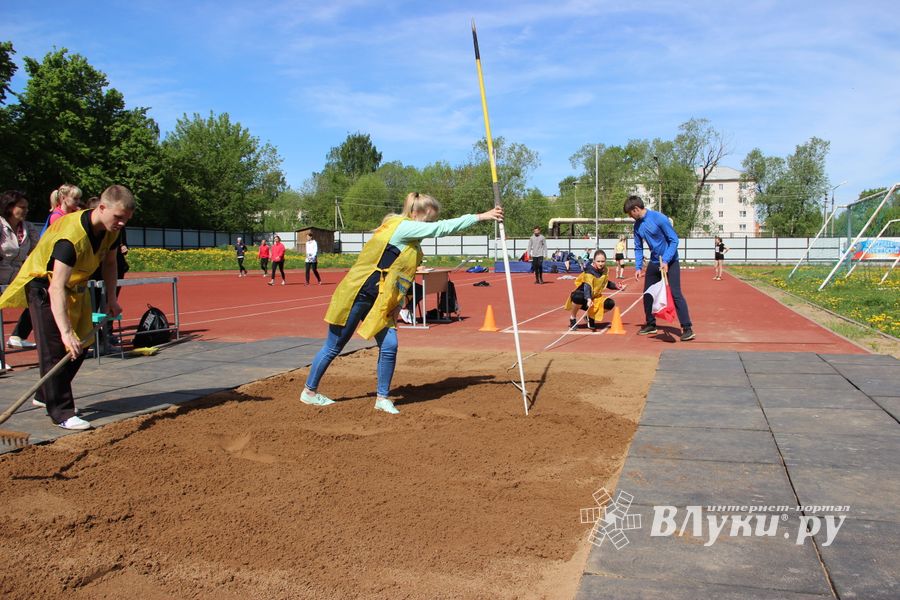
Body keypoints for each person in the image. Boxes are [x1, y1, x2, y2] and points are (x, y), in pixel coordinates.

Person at [301, 192, 503, 415]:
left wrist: (399, 303)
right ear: (417, 213)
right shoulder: (403, 227)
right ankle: (309, 392)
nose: (430, 225)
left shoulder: (409, 237)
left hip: (381, 300)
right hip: (357, 294)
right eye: (428, 219)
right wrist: (482, 216)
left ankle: (382, 397)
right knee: (334, 345)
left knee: (389, 345)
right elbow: (442, 229)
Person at [0, 185, 134, 430]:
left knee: (81, 344)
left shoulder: (110, 231)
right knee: (56, 349)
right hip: (44, 286)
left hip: (74, 287)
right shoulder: (70, 238)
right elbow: (56, 287)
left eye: (126, 219)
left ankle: (45, 395)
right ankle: (61, 412)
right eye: (118, 217)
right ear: (101, 208)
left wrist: (112, 299)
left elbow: (111, 263)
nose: (122, 223)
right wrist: (65, 332)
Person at [624, 195, 694, 341]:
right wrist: (638, 267)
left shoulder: (659, 218)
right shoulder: (637, 226)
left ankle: (687, 328)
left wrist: (667, 259)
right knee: (648, 294)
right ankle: (651, 324)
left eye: (631, 214)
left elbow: (674, 240)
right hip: (655, 262)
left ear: (636, 209)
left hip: (671, 261)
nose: (631, 217)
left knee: (675, 294)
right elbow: (638, 247)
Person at [1, 191, 39, 356]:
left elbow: (38, 250)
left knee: (41, 295)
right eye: (21, 207)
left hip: (18, 275)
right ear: (9, 207)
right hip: (2, 271)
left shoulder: (28, 227)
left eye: (27, 207)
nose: (25, 210)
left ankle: (18, 335)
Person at [565, 249, 625, 330]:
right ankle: (573, 318)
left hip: (595, 298)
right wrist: (588, 299)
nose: (601, 263)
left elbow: (605, 282)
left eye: (603, 261)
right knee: (577, 296)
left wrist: (616, 286)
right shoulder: (589, 271)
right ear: (594, 261)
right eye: (598, 261)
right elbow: (587, 286)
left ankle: (590, 316)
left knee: (610, 303)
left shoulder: (605, 270)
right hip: (583, 296)